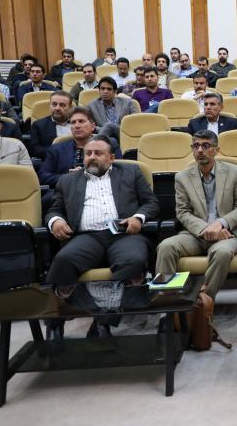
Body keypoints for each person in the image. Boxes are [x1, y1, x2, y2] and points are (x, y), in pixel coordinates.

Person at [44, 136, 159, 343]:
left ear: (111, 157)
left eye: (98, 153)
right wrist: (56, 221)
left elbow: (151, 202)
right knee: (63, 261)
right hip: (87, 237)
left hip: (124, 235)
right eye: (88, 153)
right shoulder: (67, 180)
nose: (92, 157)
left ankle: (102, 320)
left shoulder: (131, 172)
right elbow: (54, 209)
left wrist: (138, 217)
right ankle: (55, 323)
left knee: (133, 260)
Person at [156, 130, 237, 332]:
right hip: (195, 233)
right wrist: (206, 228)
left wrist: (221, 224)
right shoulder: (182, 177)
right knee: (166, 247)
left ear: (216, 150)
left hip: (228, 233)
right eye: (196, 146)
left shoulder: (234, 172)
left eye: (206, 145)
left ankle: (201, 304)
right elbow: (182, 212)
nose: (200, 150)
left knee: (222, 252)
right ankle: (169, 308)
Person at [39, 107, 121, 211]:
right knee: (47, 199)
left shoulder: (109, 144)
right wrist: (67, 177)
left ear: (93, 126)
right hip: (69, 192)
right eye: (73, 122)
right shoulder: (57, 149)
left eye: (81, 121)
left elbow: (119, 170)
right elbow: (43, 176)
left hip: (103, 189)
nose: (77, 126)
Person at [29, 90, 74, 159]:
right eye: (54, 104)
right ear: (50, 105)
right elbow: (35, 149)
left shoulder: (78, 123)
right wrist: (57, 154)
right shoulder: (38, 125)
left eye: (62, 105)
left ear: (70, 107)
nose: (57, 108)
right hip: (52, 160)